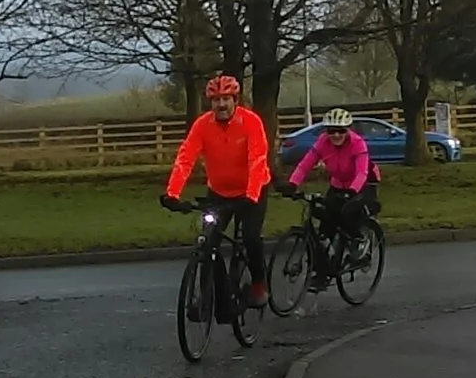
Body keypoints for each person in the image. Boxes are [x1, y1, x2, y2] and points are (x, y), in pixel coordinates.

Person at [161, 74, 273, 309]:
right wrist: (172, 193)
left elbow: (257, 159)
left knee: (251, 238)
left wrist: (252, 195)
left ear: (235, 100)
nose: (221, 104)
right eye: (215, 100)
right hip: (219, 192)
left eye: (226, 99)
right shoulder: (202, 125)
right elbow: (186, 158)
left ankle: (259, 285)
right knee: (209, 242)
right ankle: (206, 296)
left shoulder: (251, 122)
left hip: (252, 191)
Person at [276, 107, 379, 288]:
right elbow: (305, 164)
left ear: (348, 130)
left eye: (341, 131)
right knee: (325, 221)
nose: (336, 135)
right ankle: (323, 272)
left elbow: (362, 172)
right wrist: (293, 184)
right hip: (338, 184)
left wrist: (352, 191)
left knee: (349, 212)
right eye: (331, 131)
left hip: (363, 184)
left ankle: (358, 240)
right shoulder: (323, 142)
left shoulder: (357, 143)